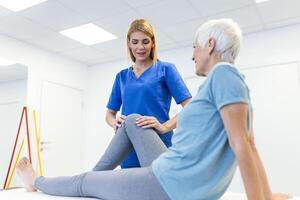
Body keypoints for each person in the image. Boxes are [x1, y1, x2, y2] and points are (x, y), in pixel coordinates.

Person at [17, 19, 291, 200]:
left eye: (195, 47)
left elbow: (242, 144)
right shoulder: (229, 81)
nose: (192, 54)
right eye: (134, 42)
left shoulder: (222, 76)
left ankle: (36, 181)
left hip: (173, 181)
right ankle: (97, 177)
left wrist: (261, 199)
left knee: (85, 182)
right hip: (172, 168)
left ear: (210, 45)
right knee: (133, 119)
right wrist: (267, 195)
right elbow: (249, 142)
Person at [101, 18, 192, 169]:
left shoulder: (166, 70)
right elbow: (109, 114)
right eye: (135, 42)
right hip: (128, 147)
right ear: (129, 43)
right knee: (131, 189)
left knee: (159, 189)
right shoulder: (121, 77)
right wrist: (114, 122)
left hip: (158, 142)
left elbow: (191, 107)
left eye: (145, 41)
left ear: (153, 42)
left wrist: (164, 127)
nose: (140, 47)